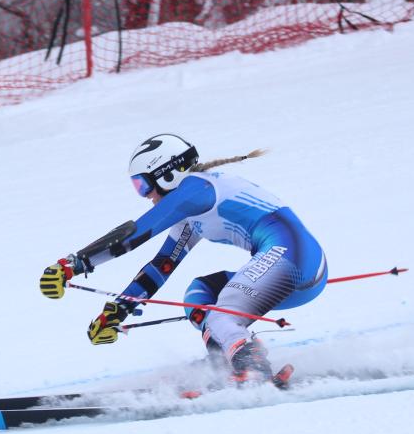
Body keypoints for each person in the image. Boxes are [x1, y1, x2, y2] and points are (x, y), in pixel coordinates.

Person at [38, 133, 327, 386]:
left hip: (295, 261)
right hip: (292, 273)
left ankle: (253, 368)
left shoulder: (197, 189)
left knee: (222, 314)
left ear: (167, 174)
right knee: (199, 294)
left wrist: (74, 264)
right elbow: (162, 266)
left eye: (143, 185)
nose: (145, 195)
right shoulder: (191, 209)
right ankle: (227, 360)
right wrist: (118, 311)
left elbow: (136, 233)